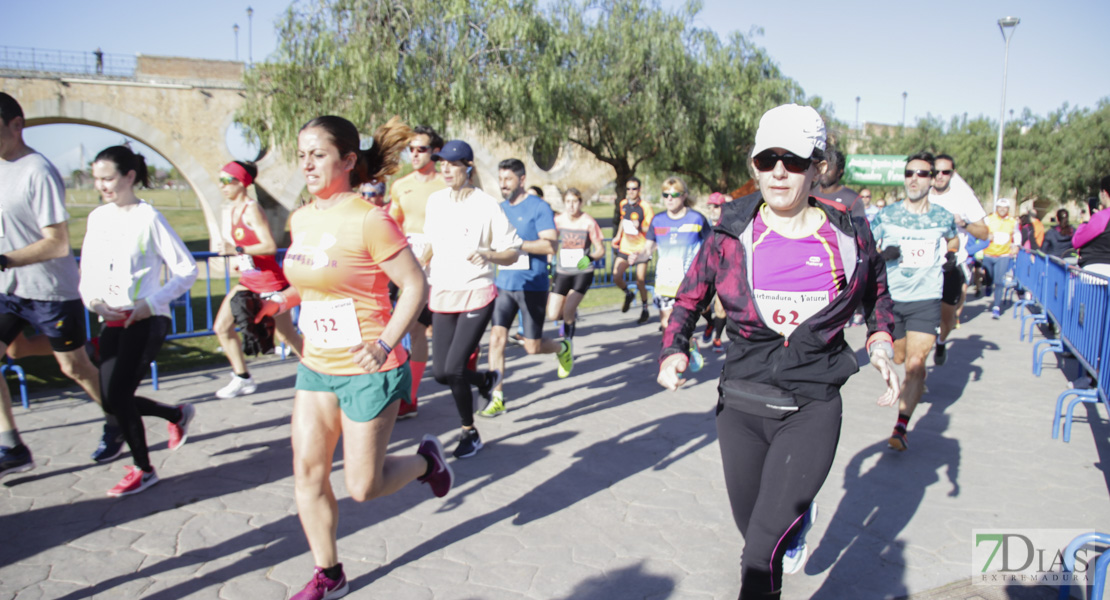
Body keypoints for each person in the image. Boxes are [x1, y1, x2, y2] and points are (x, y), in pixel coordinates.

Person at [657, 104, 899, 600]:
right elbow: (689, 296)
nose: (779, 172)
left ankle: (784, 534)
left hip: (811, 404)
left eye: (793, 160)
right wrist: (673, 350)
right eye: (767, 160)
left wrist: (879, 341)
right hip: (742, 404)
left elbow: (877, 296)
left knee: (756, 556)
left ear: (818, 166)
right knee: (757, 535)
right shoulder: (730, 232)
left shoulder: (848, 232)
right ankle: (794, 522)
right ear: (755, 167)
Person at [257, 115, 453, 600]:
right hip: (318, 368)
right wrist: (275, 304)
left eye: (317, 154)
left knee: (363, 487)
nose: (306, 163)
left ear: (347, 160)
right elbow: (309, 288)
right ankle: (330, 573)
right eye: (301, 154)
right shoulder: (301, 217)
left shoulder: (371, 218)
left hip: (370, 370)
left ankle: (426, 462)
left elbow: (414, 286)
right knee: (308, 473)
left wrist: (386, 342)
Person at [0, 92, 112, 479]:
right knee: (7, 352)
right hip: (7, 289)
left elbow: (58, 242)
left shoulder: (37, 171)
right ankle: (11, 445)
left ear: (17, 126)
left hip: (48, 289)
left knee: (75, 367)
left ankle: (117, 419)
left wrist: (5, 259)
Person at [79, 145, 199, 496]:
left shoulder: (149, 218)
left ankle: (144, 470)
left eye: (108, 178)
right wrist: (96, 302)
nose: (101, 185)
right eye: (96, 179)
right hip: (110, 319)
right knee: (110, 399)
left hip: (146, 320)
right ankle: (175, 415)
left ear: (129, 177)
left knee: (118, 394)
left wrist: (151, 302)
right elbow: (88, 273)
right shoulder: (97, 218)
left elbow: (186, 269)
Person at [423, 140, 521, 458]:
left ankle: (469, 432)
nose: (445, 169)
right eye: (442, 163)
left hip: (476, 293)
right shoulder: (435, 201)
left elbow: (512, 250)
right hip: (442, 291)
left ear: (468, 166)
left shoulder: (486, 205)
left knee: (453, 368)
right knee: (440, 373)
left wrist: (488, 254)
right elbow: (429, 245)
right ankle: (485, 378)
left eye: (452, 163)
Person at [871, 152, 958, 452]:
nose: (913, 179)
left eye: (921, 173)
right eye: (909, 173)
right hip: (892, 299)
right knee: (898, 357)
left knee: (916, 365)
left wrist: (950, 258)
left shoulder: (943, 217)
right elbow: (867, 247)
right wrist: (883, 256)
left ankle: (901, 426)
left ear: (933, 179)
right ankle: (906, 388)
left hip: (926, 298)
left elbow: (953, 239)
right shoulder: (888, 215)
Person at [484, 159, 571, 415]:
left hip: (532, 285)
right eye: (500, 180)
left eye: (508, 179)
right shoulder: (498, 210)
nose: (503, 185)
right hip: (504, 285)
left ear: (522, 180)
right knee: (496, 339)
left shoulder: (539, 207)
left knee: (531, 347)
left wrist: (517, 244)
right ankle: (497, 397)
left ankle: (561, 347)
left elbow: (549, 246)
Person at [211, 161, 304, 399]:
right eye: (219, 180)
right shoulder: (230, 210)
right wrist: (236, 257)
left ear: (242, 182)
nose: (222, 186)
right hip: (248, 281)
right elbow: (245, 251)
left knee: (286, 335)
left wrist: (239, 248)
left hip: (271, 282)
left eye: (226, 181)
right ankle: (242, 377)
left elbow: (270, 246)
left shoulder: (252, 209)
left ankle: (322, 372)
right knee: (221, 327)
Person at [386, 126, 446, 420]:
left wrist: (433, 249)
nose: (414, 154)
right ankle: (409, 396)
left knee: (444, 328)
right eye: (411, 149)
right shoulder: (400, 185)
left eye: (420, 149)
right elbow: (393, 224)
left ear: (434, 151)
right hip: (411, 268)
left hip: (443, 266)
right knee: (413, 329)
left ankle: (467, 357)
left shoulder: (447, 184)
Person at [927, 153, 988, 366]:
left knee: (947, 319)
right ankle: (918, 368)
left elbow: (983, 233)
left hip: (951, 266)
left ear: (952, 174)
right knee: (921, 321)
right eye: (936, 171)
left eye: (946, 172)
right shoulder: (921, 196)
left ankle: (942, 341)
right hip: (924, 267)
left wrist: (964, 223)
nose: (940, 176)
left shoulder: (964, 198)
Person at [646, 176, 710, 330]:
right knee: (667, 326)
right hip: (665, 282)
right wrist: (638, 256)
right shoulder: (658, 220)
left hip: (688, 284)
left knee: (681, 328)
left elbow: (711, 247)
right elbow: (647, 249)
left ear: (684, 195)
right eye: (665, 194)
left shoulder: (696, 219)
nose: (669, 199)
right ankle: (674, 353)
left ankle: (690, 346)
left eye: (674, 195)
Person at [546, 188, 605, 346]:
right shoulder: (559, 220)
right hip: (563, 271)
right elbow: (550, 242)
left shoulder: (588, 222)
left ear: (580, 203)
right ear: (564, 203)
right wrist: (548, 261)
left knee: (568, 312)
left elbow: (600, 250)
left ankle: (567, 346)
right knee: (552, 314)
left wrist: (589, 258)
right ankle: (569, 313)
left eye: (574, 202)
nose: (571, 206)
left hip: (582, 271)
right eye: (568, 202)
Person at [612, 176, 655, 324]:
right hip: (625, 246)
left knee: (640, 280)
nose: (631, 191)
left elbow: (651, 229)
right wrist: (617, 237)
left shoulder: (645, 207)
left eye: (634, 189)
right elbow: (623, 222)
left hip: (641, 249)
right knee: (616, 275)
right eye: (628, 189)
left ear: (639, 190)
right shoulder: (623, 203)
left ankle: (644, 308)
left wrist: (640, 226)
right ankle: (628, 294)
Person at [982, 198, 1020, 317]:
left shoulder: (1012, 221)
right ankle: (988, 284)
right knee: (989, 277)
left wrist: (1017, 246)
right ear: (996, 208)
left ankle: (996, 307)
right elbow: (981, 231)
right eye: (1000, 207)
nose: (1002, 210)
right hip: (988, 253)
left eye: (1005, 208)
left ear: (1008, 209)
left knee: (999, 281)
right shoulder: (989, 219)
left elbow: (1017, 233)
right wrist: (986, 236)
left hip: (1003, 255)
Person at [1073, 177, 1110, 276]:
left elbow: (1077, 241)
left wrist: (1085, 222)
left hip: (1096, 271)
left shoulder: (1102, 217)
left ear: (1104, 194)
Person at [816, 149, 866, 220]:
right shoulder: (807, 192)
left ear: (840, 171)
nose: (825, 171)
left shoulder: (852, 199)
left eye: (829, 168)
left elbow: (860, 229)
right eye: (823, 166)